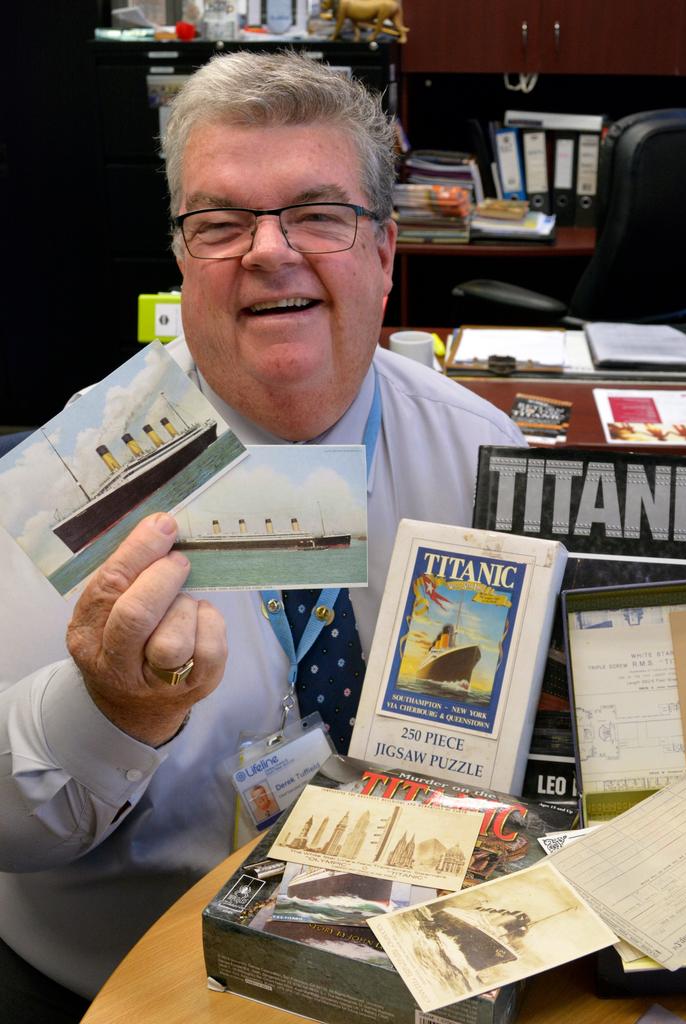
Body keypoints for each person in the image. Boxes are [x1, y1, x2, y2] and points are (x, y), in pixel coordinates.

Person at [0, 50, 525, 1021]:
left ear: (383, 253)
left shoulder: (481, 454)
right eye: (221, 222)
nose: (269, 250)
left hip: (409, 952)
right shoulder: (59, 489)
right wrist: (107, 709)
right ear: (183, 256)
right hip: (125, 981)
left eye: (318, 213)